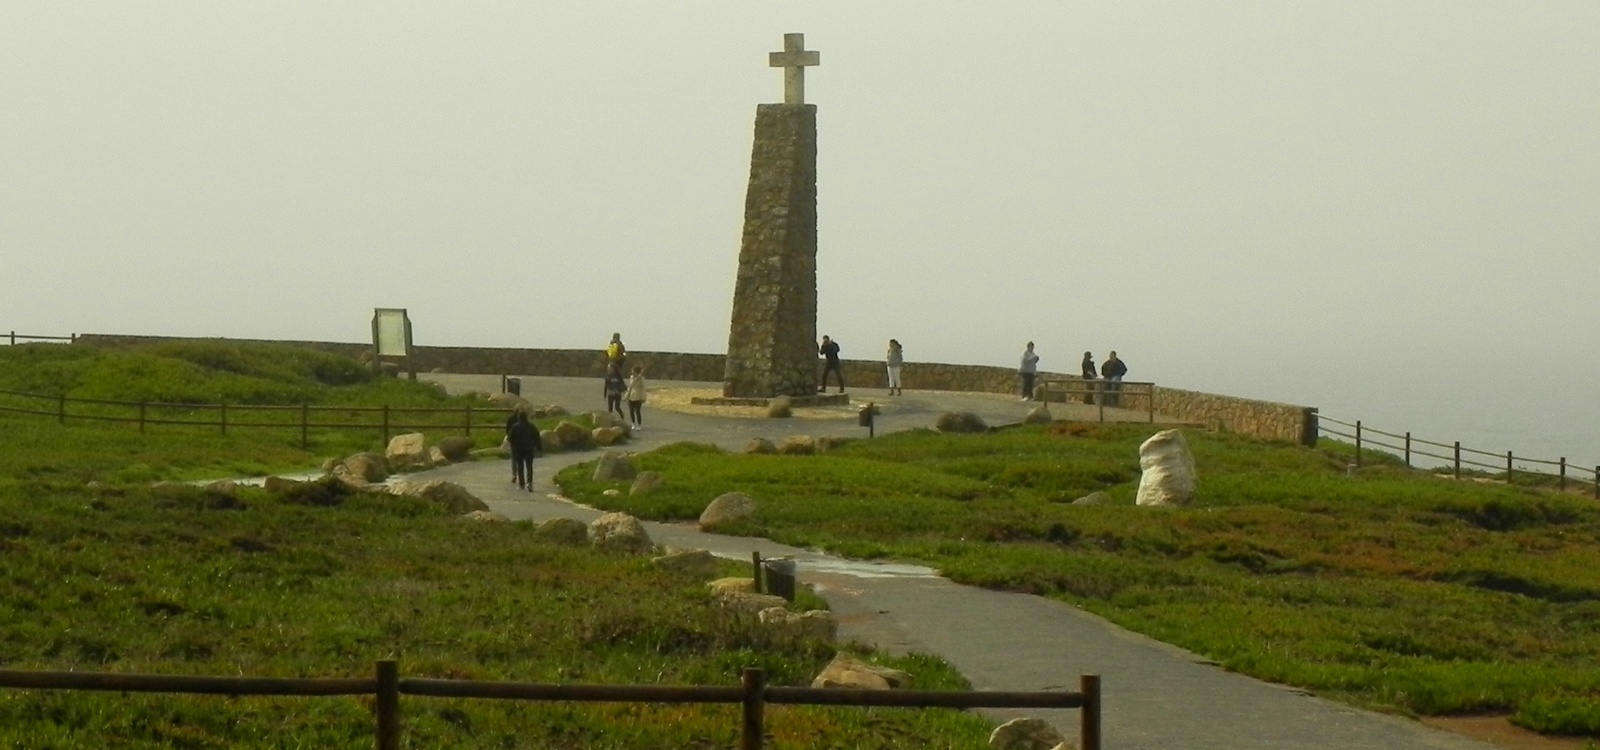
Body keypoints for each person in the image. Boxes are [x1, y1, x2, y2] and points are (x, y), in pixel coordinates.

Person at [506, 410, 543, 492]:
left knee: (520, 466)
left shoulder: (515, 427)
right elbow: (537, 436)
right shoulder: (531, 426)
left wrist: (513, 447)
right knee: (529, 466)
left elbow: (510, 438)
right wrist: (539, 447)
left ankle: (521, 484)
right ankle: (529, 483)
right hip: (529, 448)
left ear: (519, 418)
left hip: (518, 449)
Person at [625, 365, 648, 430]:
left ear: (636, 371)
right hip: (631, 396)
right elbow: (630, 387)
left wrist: (643, 397)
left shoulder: (642, 379)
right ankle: (633, 423)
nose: (632, 372)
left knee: (637, 411)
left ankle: (639, 424)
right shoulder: (632, 378)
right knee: (631, 411)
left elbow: (643, 388)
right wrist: (626, 396)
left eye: (633, 371)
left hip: (638, 396)